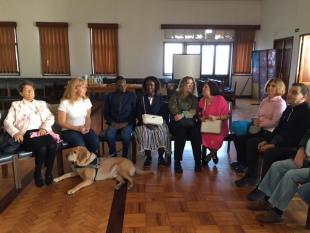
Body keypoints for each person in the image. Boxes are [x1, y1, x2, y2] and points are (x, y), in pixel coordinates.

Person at [235, 83, 310, 189]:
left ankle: (263, 188)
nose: (289, 95)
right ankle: (252, 177)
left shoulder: (306, 113)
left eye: (294, 93)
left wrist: (273, 145)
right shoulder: (289, 109)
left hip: (293, 147)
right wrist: (267, 140)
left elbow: (297, 138)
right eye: (289, 92)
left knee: (270, 153)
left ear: (304, 96)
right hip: (279, 140)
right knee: (252, 143)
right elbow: (278, 128)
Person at [247, 129, 310, 223]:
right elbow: (306, 136)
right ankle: (266, 200)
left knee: (291, 175)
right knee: (277, 166)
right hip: (306, 160)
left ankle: (277, 212)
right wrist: (301, 149)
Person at [4, 81, 57, 187]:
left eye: (32, 90)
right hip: (26, 134)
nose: (30, 92)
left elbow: (50, 117)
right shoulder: (16, 105)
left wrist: (44, 127)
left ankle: (48, 173)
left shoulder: (41, 103)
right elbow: (7, 122)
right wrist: (15, 133)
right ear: (21, 93)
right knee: (42, 148)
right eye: (27, 91)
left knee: (53, 145)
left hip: (42, 131)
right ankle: (37, 174)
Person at [231, 78, 286, 172]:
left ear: (279, 88)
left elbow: (275, 122)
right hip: (258, 128)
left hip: (269, 132)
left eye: (273, 86)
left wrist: (261, 123)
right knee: (237, 137)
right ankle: (242, 162)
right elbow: (258, 114)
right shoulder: (265, 100)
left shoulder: (280, 103)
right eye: (269, 85)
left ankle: (248, 166)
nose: (269, 87)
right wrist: (255, 119)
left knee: (248, 141)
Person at [168, 76, 201, 173]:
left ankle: (198, 161)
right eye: (188, 83)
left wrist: (182, 114)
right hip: (177, 123)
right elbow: (173, 108)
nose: (190, 86)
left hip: (190, 123)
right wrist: (186, 114)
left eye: (192, 84)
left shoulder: (194, 98)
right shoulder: (175, 95)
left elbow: (194, 111)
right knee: (180, 132)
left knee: (196, 133)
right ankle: (177, 162)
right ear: (183, 84)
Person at [58, 77, 100, 154]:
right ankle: (80, 164)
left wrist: (87, 127)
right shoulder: (65, 103)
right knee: (81, 146)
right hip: (68, 131)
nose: (86, 89)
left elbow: (87, 117)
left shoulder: (86, 101)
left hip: (83, 128)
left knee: (95, 143)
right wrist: (77, 128)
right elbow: (61, 122)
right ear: (75, 89)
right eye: (83, 87)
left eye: (85, 87)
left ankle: (89, 161)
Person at [134, 76, 169, 167]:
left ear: (155, 86)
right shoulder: (141, 98)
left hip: (158, 123)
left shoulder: (160, 99)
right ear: (145, 87)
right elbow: (138, 113)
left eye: (152, 85)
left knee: (162, 132)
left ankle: (160, 157)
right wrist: (146, 123)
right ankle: (148, 157)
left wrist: (156, 123)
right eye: (147, 85)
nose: (149, 87)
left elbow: (164, 114)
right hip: (144, 123)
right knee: (143, 132)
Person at [104, 76, 136, 157]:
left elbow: (134, 113)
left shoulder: (132, 96)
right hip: (114, 122)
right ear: (116, 86)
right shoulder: (110, 96)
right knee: (109, 135)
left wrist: (126, 123)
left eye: (124, 85)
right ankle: (113, 155)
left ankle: (124, 156)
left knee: (126, 136)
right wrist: (112, 122)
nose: (123, 87)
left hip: (127, 123)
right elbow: (106, 113)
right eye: (120, 85)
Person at [199, 81, 229, 165]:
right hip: (207, 126)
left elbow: (226, 116)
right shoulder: (202, 100)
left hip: (220, 126)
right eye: (203, 87)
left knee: (217, 137)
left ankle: (210, 155)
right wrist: (202, 118)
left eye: (206, 87)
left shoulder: (220, 99)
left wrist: (216, 117)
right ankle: (214, 153)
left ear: (212, 89)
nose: (203, 89)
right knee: (203, 136)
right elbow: (200, 114)